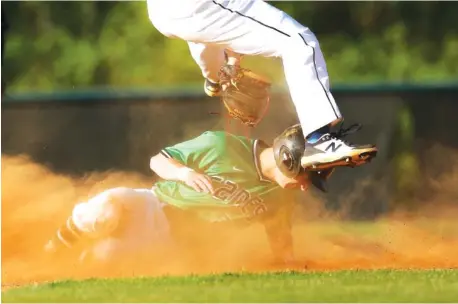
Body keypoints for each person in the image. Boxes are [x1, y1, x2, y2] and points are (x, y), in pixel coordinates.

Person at [44, 125, 334, 266]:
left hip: (168, 244)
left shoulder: (279, 196)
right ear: (287, 160)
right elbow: (157, 161)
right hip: (151, 206)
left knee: (101, 259)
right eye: (307, 176)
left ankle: (59, 267)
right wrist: (185, 174)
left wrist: (289, 263)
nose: (306, 186)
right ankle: (57, 245)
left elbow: (279, 233)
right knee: (103, 213)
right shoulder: (221, 145)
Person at [146, 0, 378, 171]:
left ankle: (216, 78)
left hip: (165, 12)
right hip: (196, 6)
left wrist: (230, 65)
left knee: (207, 30)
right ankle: (319, 141)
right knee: (299, 42)